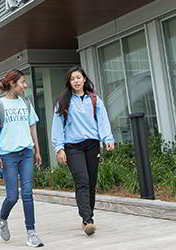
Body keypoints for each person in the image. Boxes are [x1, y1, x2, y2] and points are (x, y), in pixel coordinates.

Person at [50, 66, 115, 236]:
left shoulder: (94, 99)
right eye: (72, 79)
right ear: (69, 82)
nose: (76, 81)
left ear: (84, 79)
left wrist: (108, 139)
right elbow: (57, 126)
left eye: (78, 77)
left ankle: (88, 216)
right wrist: (59, 148)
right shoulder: (63, 101)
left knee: (91, 182)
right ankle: (88, 220)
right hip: (73, 147)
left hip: (92, 145)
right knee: (82, 180)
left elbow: (102, 120)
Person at [0, 69, 45, 247]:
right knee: (12, 196)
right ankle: (2, 218)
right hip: (8, 156)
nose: (25, 85)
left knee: (27, 193)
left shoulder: (26, 103)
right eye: (22, 82)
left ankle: (31, 233)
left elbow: (33, 127)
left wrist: (37, 150)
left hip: (26, 153)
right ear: (13, 84)